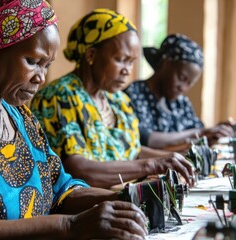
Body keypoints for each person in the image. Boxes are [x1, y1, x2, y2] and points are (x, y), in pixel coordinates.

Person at [0, 1, 149, 239]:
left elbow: (61, 189)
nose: (41, 78)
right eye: (32, 61)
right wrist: (71, 226)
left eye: (46, 66)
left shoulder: (19, 115)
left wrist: (128, 196)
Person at [30, 9, 194, 189]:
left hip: (125, 201)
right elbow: (79, 170)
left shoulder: (118, 100)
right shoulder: (59, 97)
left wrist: (180, 159)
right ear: (91, 55)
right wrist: (153, 164)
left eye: (131, 62)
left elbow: (132, 152)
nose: (127, 70)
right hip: (84, 208)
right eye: (121, 59)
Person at [124, 33, 234, 152]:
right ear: (166, 64)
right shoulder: (133, 94)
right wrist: (199, 133)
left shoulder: (181, 103)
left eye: (189, 83)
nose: (183, 88)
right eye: (182, 78)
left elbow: (198, 134)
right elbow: (146, 139)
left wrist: (214, 134)